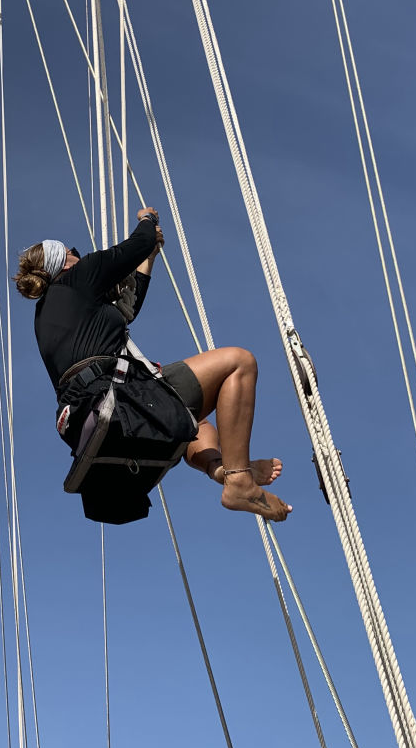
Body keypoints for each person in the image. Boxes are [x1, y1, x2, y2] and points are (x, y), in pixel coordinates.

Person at [14, 207, 291, 522]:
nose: (80, 254)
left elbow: (126, 310)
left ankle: (220, 470)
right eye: (73, 251)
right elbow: (137, 245)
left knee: (196, 421)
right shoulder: (78, 277)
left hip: (87, 416)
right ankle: (240, 480)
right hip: (119, 402)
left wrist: (151, 257)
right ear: (64, 262)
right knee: (238, 362)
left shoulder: (48, 316)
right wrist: (147, 222)